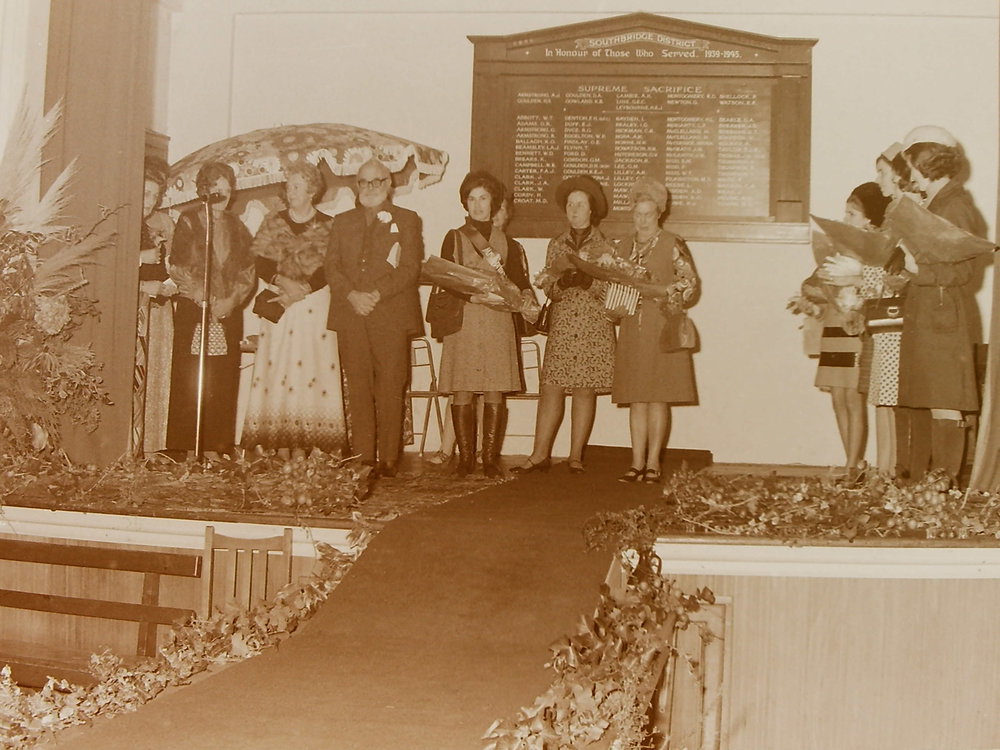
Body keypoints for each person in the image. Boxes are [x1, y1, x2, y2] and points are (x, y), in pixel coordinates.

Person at [896, 125, 987, 482]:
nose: (909, 174)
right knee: (928, 401)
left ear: (922, 164)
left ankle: (941, 489)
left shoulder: (955, 204)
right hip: (930, 314)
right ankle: (927, 486)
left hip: (943, 316)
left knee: (945, 404)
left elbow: (962, 273)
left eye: (911, 166)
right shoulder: (938, 202)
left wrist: (916, 269)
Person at [325, 158, 423, 477]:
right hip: (351, 314)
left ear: (389, 184)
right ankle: (364, 457)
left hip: (390, 313)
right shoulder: (341, 222)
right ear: (356, 186)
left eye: (377, 181)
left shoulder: (407, 220)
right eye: (364, 182)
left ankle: (389, 458)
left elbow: (409, 267)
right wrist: (353, 296)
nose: (370, 188)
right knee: (358, 385)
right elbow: (332, 267)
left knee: (391, 385)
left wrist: (376, 295)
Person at [242, 160, 347, 457]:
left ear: (312, 190)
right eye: (288, 186)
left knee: (312, 369)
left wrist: (302, 290)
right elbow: (259, 259)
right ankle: (278, 444)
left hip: (313, 306)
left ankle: (311, 445)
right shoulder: (273, 221)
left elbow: (332, 266)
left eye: (297, 186)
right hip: (280, 303)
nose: (290, 191)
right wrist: (283, 283)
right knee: (279, 368)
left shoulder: (329, 225)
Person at [512, 175, 615, 475]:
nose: (574, 209)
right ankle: (539, 454)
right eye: (570, 204)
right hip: (563, 324)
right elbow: (548, 286)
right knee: (551, 388)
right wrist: (560, 285)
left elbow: (614, 291)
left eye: (580, 204)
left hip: (593, 325)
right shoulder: (556, 243)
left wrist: (590, 282)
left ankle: (575, 457)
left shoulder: (606, 246)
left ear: (592, 210)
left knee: (584, 390)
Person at [436, 171, 534, 477]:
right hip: (465, 320)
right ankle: (466, 459)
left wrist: (526, 299)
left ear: (494, 204)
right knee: (463, 389)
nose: (478, 205)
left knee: (495, 390)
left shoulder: (511, 244)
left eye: (484, 198)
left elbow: (521, 282)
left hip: (497, 321)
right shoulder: (454, 237)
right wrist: (471, 297)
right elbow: (445, 279)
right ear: (465, 203)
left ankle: (489, 459)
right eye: (472, 198)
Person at [610, 178, 698, 484]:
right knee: (636, 397)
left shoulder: (673, 243)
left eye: (648, 214)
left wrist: (658, 289)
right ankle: (635, 463)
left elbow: (689, 286)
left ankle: (653, 464)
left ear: (659, 213)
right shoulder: (620, 246)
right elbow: (610, 281)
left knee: (658, 396)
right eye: (637, 214)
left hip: (662, 326)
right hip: (632, 327)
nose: (642, 220)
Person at [166, 161, 256, 457]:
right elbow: (177, 264)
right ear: (205, 190)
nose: (224, 193)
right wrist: (201, 295)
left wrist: (230, 302)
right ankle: (187, 447)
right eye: (217, 187)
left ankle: (217, 446)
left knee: (223, 378)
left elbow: (248, 271)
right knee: (192, 377)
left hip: (227, 313)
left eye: (228, 187)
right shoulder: (189, 221)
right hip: (195, 308)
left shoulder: (239, 227)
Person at [135, 155, 176, 455]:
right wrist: (140, 267)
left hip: (160, 308)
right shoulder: (123, 222)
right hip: (135, 312)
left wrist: (169, 285)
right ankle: (133, 446)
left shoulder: (163, 223)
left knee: (160, 375)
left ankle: (152, 448)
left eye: (155, 195)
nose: (150, 201)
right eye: (146, 193)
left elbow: (176, 265)